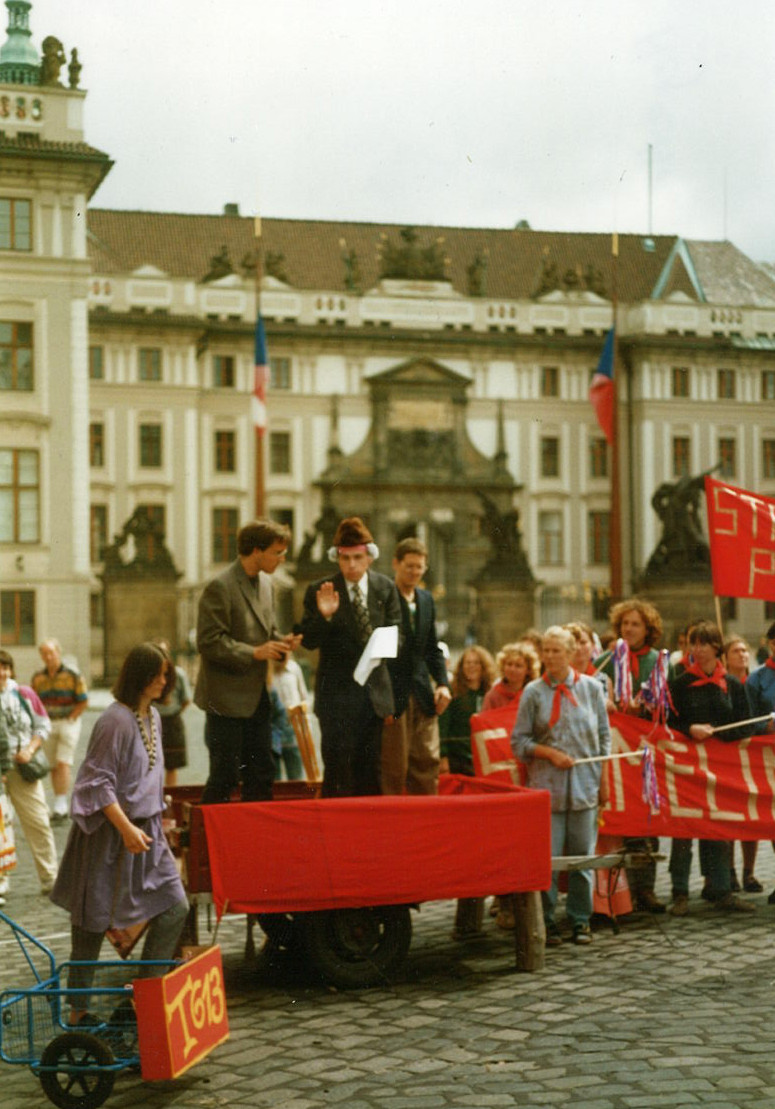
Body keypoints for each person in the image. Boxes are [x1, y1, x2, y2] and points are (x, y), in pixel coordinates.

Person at [51, 643, 189, 1025]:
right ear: (140, 677)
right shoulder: (114, 720)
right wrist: (126, 828)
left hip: (147, 834)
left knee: (176, 906)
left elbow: (150, 778)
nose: (165, 681)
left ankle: (142, 1000)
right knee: (92, 922)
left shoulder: (154, 716)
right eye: (159, 674)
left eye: (166, 674)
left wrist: (156, 822)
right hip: (111, 835)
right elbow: (95, 784)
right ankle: (78, 1013)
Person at [512, 626, 610, 946]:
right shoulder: (533, 693)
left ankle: (580, 920)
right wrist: (548, 753)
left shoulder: (593, 689)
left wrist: (603, 780)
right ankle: (547, 919)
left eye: (558, 651)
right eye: (547, 651)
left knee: (582, 859)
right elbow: (519, 742)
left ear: (571, 654)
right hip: (547, 788)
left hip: (585, 787)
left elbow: (603, 739)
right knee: (549, 860)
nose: (551, 657)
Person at [195, 519, 301, 804]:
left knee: (263, 773)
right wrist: (254, 652)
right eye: (278, 552)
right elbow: (208, 642)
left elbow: (266, 632)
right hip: (225, 700)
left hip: (256, 698)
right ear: (256, 551)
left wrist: (283, 641)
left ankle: (255, 838)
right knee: (225, 775)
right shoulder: (220, 586)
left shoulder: (267, 584)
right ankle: (207, 839)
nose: (283, 558)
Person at [299, 516, 401, 797]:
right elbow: (307, 641)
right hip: (336, 699)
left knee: (371, 774)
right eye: (345, 559)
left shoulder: (384, 588)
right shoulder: (321, 590)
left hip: (373, 697)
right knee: (339, 773)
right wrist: (325, 617)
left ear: (369, 557)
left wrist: (382, 647)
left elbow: (398, 632)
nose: (352, 565)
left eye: (358, 557)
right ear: (337, 559)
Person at [667, 621, 755, 916]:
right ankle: (679, 891)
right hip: (687, 767)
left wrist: (716, 732)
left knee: (717, 826)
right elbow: (670, 722)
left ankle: (720, 889)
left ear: (717, 647)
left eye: (704, 643)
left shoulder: (732, 685)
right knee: (683, 828)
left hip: (720, 768)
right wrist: (689, 728)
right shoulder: (679, 683)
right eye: (694, 643)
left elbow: (744, 724)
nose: (698, 649)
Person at [596, 598, 668, 914]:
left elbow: (666, 704)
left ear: (647, 628)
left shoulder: (657, 659)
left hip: (646, 749)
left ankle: (646, 888)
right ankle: (619, 890)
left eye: (635, 624)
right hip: (616, 749)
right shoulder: (607, 660)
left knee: (646, 816)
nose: (629, 629)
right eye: (625, 624)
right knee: (620, 818)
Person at [381, 537, 451, 796]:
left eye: (419, 567)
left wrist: (443, 683)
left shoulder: (426, 599)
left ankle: (426, 820)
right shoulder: (383, 597)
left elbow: (432, 648)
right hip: (393, 696)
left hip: (423, 694)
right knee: (393, 767)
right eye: (409, 566)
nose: (414, 572)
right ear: (396, 564)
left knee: (427, 762)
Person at [0, 649, 58, 894]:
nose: (2, 672)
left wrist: (31, 749)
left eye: (5, 667)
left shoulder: (24, 693)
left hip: (24, 769)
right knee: (1, 828)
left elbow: (43, 724)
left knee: (39, 822)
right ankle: (1, 882)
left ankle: (51, 878)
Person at [30, 638, 88, 824]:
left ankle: (62, 804)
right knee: (53, 764)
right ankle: (58, 801)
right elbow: (34, 701)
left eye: (51, 653)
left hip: (68, 722)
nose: (48, 657)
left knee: (63, 762)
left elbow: (83, 699)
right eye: (44, 654)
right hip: (48, 723)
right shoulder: (38, 678)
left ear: (58, 653)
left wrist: (72, 717)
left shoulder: (73, 674)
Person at [722, 636, 761, 893]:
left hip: (756, 756)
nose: (743, 655)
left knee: (754, 817)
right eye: (736, 651)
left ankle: (749, 871)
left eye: (745, 650)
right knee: (731, 815)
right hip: (729, 758)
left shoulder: (755, 681)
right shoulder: (723, 684)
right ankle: (731, 872)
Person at [439, 646, 496, 776]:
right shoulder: (452, 692)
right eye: (468, 663)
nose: (472, 666)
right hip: (457, 759)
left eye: (476, 663)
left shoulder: (490, 694)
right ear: (461, 666)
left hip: (482, 758)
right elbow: (442, 726)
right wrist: (443, 756)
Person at [152, 638, 192, 789]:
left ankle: (171, 793)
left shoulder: (178, 674)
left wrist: (175, 711)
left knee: (172, 762)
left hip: (172, 720)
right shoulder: (150, 675)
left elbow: (186, 699)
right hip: (154, 720)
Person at [482, 641, 540, 711]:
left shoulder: (534, 694)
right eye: (509, 664)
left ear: (528, 670)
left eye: (518, 666)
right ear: (503, 666)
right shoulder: (493, 696)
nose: (512, 669)